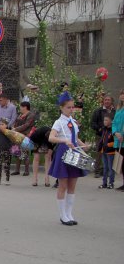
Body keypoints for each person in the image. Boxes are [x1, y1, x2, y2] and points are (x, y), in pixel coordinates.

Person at [48, 92, 90, 226]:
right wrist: (64, 140)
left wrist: (83, 146)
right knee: (63, 185)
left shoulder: (73, 122)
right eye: (68, 107)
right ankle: (62, 215)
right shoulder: (58, 122)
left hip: (74, 153)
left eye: (72, 107)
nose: (71, 110)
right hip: (63, 154)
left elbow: (75, 138)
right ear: (61, 108)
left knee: (72, 186)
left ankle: (69, 213)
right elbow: (51, 137)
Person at [91, 95, 115, 178]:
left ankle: (108, 171)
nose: (107, 101)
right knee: (99, 153)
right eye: (105, 100)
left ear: (111, 101)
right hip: (100, 136)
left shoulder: (114, 111)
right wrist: (99, 129)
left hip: (111, 136)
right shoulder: (98, 111)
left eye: (109, 100)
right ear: (103, 101)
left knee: (110, 153)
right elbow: (93, 123)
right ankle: (97, 171)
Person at [11, 101, 36, 176]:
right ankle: (17, 170)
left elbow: (26, 125)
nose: (20, 108)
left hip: (26, 136)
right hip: (18, 135)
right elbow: (16, 122)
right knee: (17, 152)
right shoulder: (21, 115)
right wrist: (14, 127)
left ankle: (26, 171)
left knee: (25, 153)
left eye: (21, 107)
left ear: (25, 107)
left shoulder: (31, 115)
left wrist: (16, 129)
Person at [98, 114, 116, 189]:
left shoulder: (113, 130)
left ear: (111, 121)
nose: (104, 121)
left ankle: (111, 183)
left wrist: (109, 144)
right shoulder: (104, 129)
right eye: (104, 120)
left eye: (106, 120)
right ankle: (104, 183)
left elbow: (115, 141)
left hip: (111, 152)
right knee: (105, 167)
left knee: (111, 168)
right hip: (104, 151)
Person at [0, 119, 13, 186]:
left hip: (7, 150)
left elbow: (12, 141)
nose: (1, 126)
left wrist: (11, 148)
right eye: (0, 124)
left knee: (7, 165)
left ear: (6, 125)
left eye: (3, 124)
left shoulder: (9, 132)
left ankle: (7, 180)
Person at [112, 89, 124, 191]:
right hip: (118, 139)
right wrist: (116, 132)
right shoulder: (119, 109)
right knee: (121, 164)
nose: (122, 96)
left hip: (123, 139)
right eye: (121, 94)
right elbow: (114, 123)